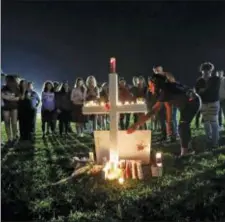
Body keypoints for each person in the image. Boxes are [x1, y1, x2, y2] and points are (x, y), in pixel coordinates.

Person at [127, 74, 201, 157]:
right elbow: (168, 106)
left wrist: (136, 125)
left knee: (183, 126)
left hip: (192, 104)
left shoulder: (165, 91)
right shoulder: (167, 88)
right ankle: (188, 148)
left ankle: (185, 152)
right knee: (184, 126)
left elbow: (153, 111)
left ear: (157, 83)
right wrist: (169, 122)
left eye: (151, 85)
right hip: (188, 104)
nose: (149, 87)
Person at [196, 62, 220, 148]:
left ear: (211, 71)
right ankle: (208, 139)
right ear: (202, 71)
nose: (206, 73)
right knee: (206, 123)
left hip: (213, 102)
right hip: (204, 103)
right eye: (204, 71)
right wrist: (205, 90)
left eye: (208, 71)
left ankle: (215, 142)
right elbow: (198, 93)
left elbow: (212, 91)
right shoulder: (199, 81)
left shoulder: (216, 79)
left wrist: (204, 90)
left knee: (213, 122)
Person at [1, 75, 20, 147]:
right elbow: (2, 96)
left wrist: (8, 97)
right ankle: (9, 138)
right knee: (7, 123)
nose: (6, 81)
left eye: (7, 80)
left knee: (14, 123)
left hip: (14, 107)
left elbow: (18, 98)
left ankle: (15, 137)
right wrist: (11, 97)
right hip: (6, 108)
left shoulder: (16, 88)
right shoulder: (3, 88)